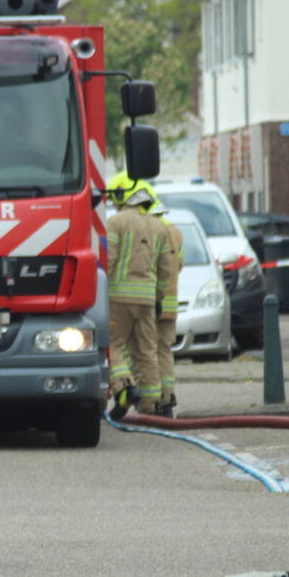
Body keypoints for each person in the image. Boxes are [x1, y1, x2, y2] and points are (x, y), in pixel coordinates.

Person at [105, 171, 173, 418]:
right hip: (147, 300)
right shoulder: (159, 226)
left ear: (123, 195)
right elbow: (166, 270)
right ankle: (151, 406)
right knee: (147, 352)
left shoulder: (115, 222)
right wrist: (158, 298)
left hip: (118, 298)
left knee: (113, 343)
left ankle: (124, 387)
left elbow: (108, 260)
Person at [144, 200, 183, 417]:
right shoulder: (176, 233)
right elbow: (179, 264)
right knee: (165, 351)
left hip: (151, 301)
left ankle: (151, 398)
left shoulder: (149, 233)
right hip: (170, 302)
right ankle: (168, 396)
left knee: (147, 351)